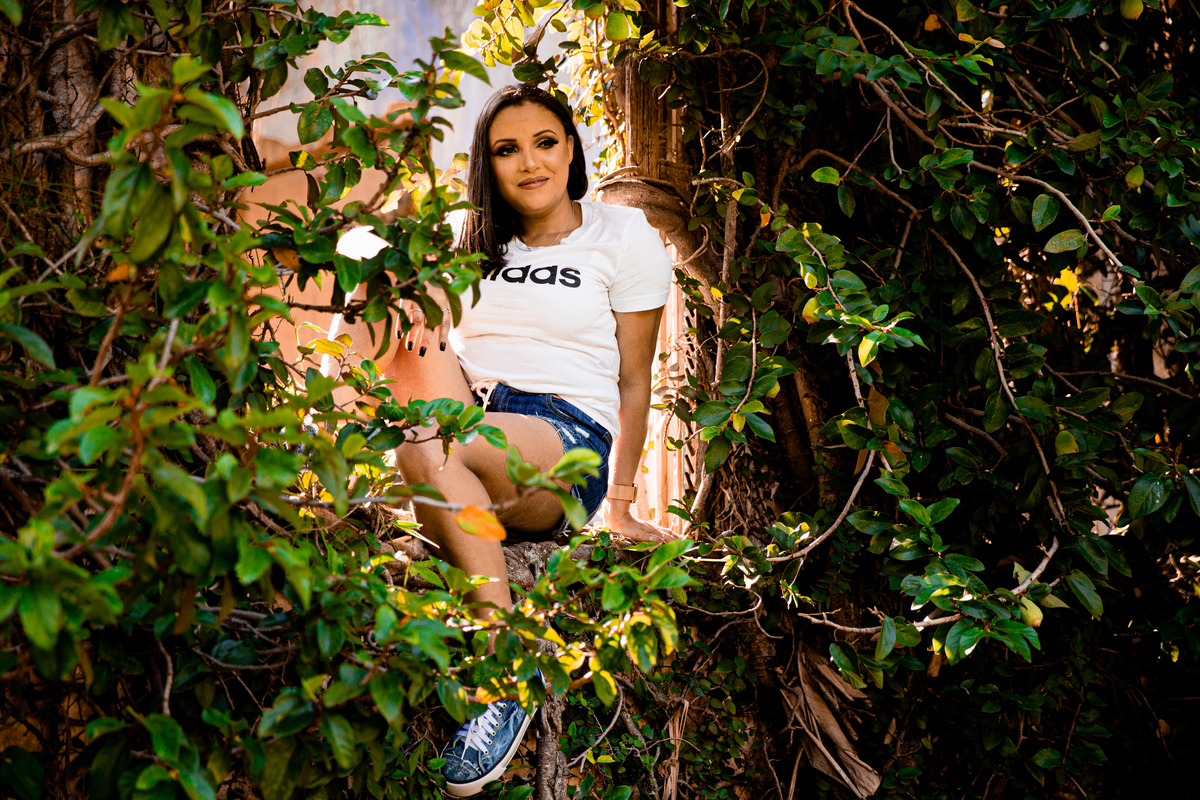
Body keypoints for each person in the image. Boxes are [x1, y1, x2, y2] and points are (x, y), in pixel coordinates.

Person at [331, 84, 678, 796]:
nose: (530, 163)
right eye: (506, 148)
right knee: (389, 289)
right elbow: (360, 249)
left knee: (426, 435)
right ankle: (322, 453)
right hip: (466, 410)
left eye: (545, 142)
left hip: (562, 433)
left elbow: (635, 379)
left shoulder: (620, 234)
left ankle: (501, 671)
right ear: (486, 164)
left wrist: (619, 502)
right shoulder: (473, 236)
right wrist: (405, 282)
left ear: (572, 148)